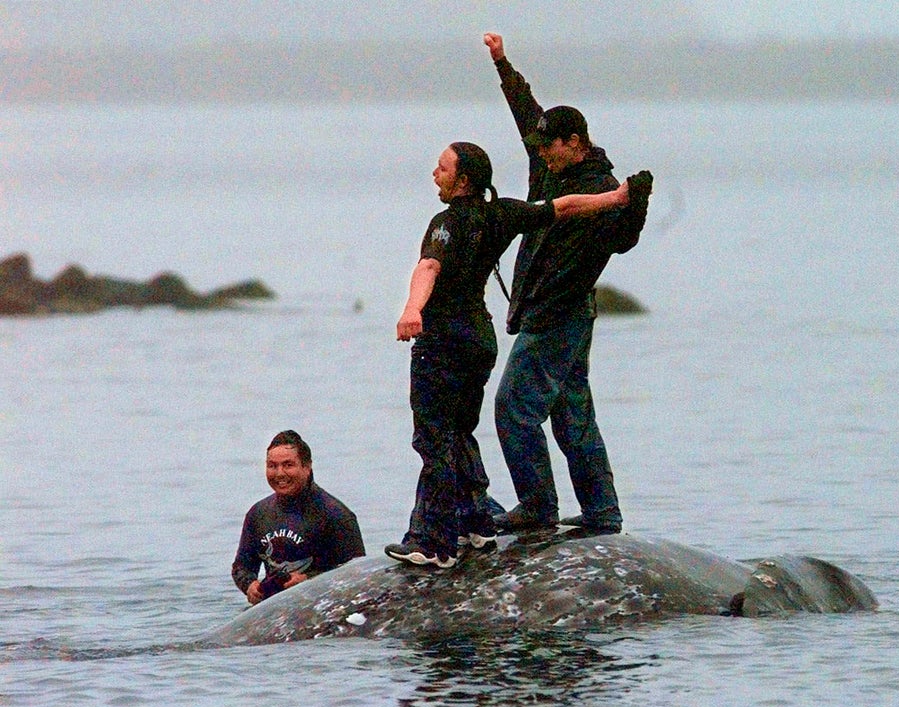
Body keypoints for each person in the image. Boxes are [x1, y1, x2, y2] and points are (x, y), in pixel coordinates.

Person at [384, 141, 651, 568]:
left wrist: (412, 309)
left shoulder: (445, 223)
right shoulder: (502, 214)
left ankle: (432, 542)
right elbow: (563, 207)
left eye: (442, 168)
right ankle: (476, 524)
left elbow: (428, 266)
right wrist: (617, 198)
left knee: (434, 440)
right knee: (461, 432)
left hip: (444, 343)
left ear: (463, 180)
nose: (435, 174)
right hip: (479, 340)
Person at [482, 32, 653, 534]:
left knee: (513, 408)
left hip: (559, 315)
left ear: (575, 142)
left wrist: (636, 204)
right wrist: (502, 64)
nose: (542, 155)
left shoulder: (602, 189)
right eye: (539, 148)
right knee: (572, 415)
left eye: (549, 148)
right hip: (560, 314)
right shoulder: (548, 165)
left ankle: (538, 506)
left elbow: (623, 241)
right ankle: (603, 512)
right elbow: (525, 111)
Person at [232, 430, 365, 604]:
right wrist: (250, 585)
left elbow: (357, 575)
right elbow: (241, 567)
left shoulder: (336, 515)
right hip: (276, 609)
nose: (279, 473)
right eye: (272, 466)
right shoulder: (258, 514)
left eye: (288, 465)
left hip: (325, 607)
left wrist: (309, 581)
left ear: (307, 467)